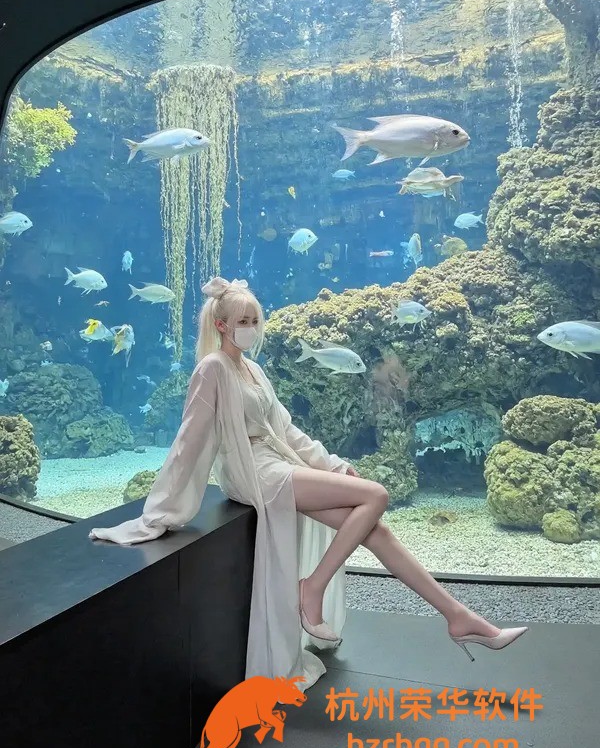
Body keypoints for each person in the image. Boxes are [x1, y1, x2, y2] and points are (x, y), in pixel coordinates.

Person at [89, 276, 527, 691]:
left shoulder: (253, 370)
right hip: (253, 473)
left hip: (278, 463)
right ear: (221, 325)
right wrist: (160, 512)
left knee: (377, 530)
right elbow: (190, 438)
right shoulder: (212, 368)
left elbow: (287, 430)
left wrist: (333, 465)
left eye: (255, 319)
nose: (251, 327)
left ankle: (458, 616)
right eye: (242, 321)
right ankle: (312, 587)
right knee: (375, 495)